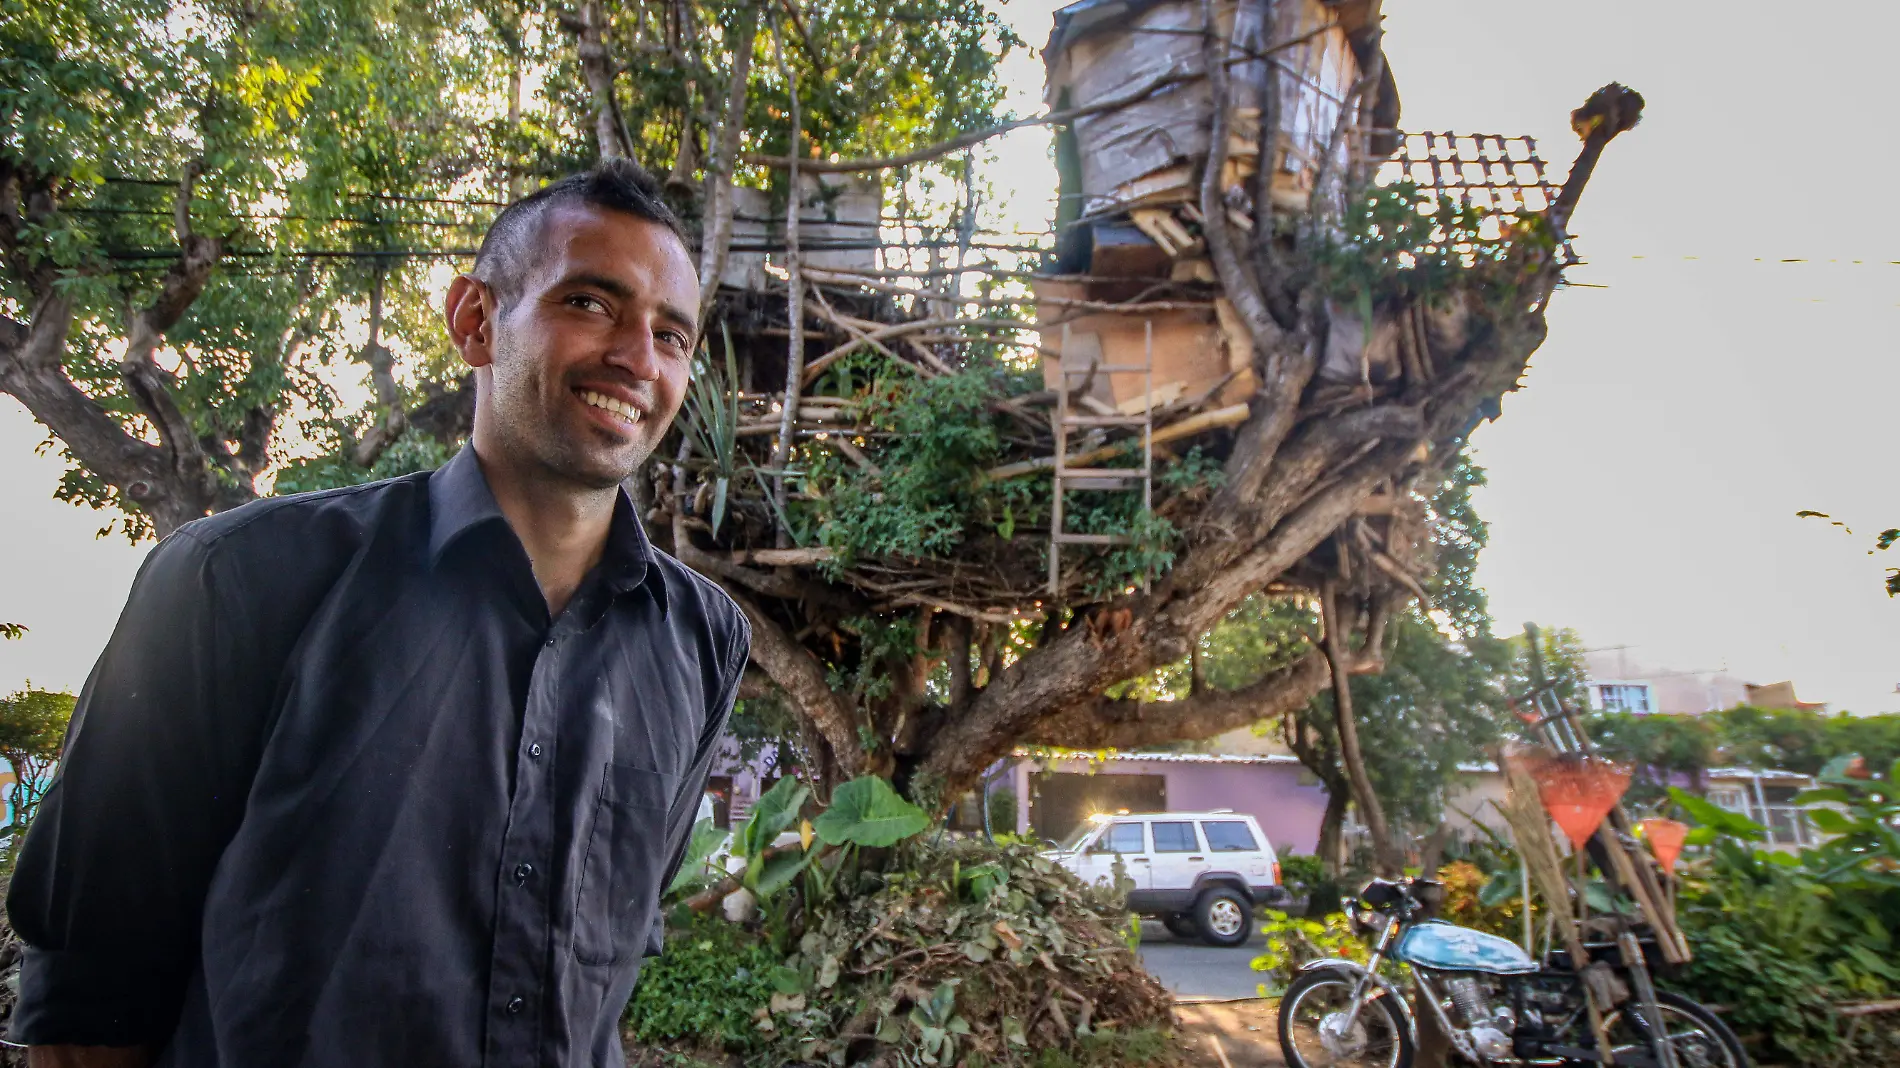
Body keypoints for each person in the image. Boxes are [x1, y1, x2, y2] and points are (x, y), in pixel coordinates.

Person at [6, 159, 750, 1068]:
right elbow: (89, 998)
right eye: (590, 304)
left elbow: (604, 965)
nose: (638, 358)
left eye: (671, 334)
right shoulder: (234, 583)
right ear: (475, 320)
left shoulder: (702, 642)